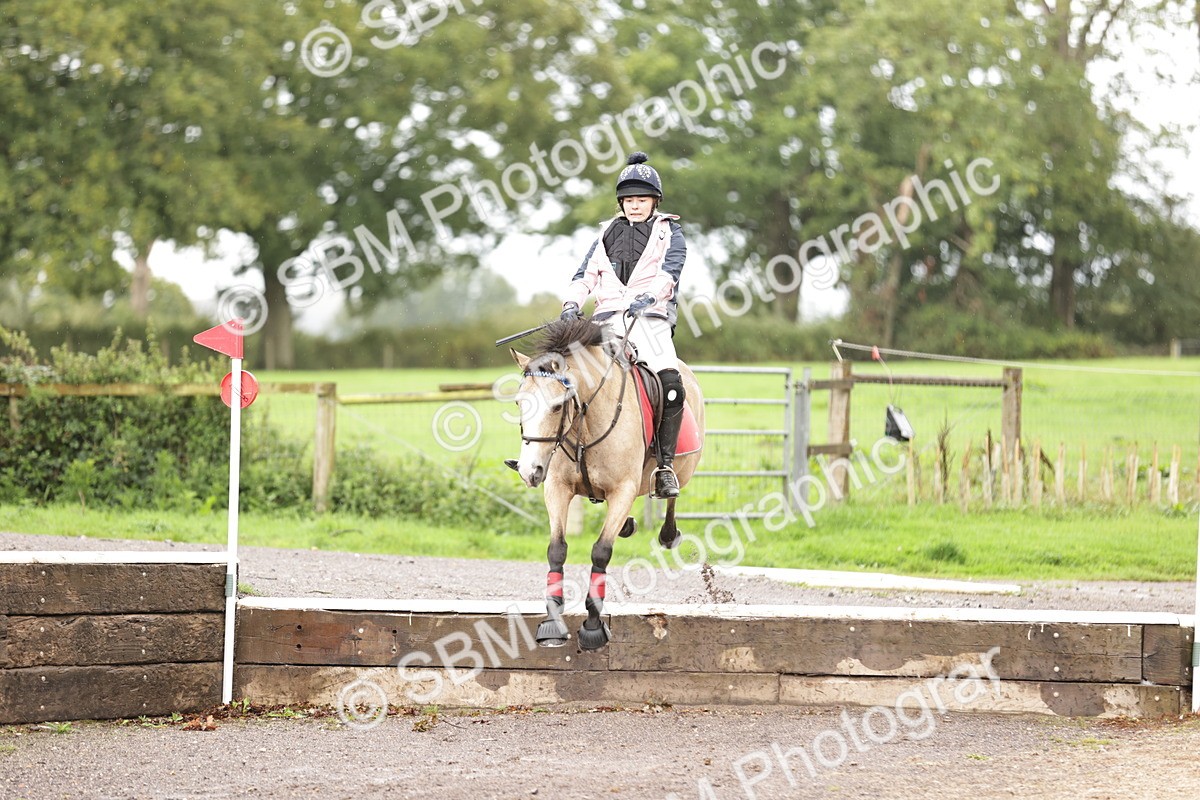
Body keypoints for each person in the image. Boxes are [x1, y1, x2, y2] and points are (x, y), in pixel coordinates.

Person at [560, 151, 688, 499]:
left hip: (650, 322)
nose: (634, 206)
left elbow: (670, 273)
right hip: (605, 322)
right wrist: (571, 303)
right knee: (557, 375)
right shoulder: (604, 234)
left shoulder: (669, 232)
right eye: (629, 200)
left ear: (654, 201)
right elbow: (583, 276)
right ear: (621, 201)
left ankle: (663, 467)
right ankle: (552, 455)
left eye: (641, 199)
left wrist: (648, 297)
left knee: (672, 386)